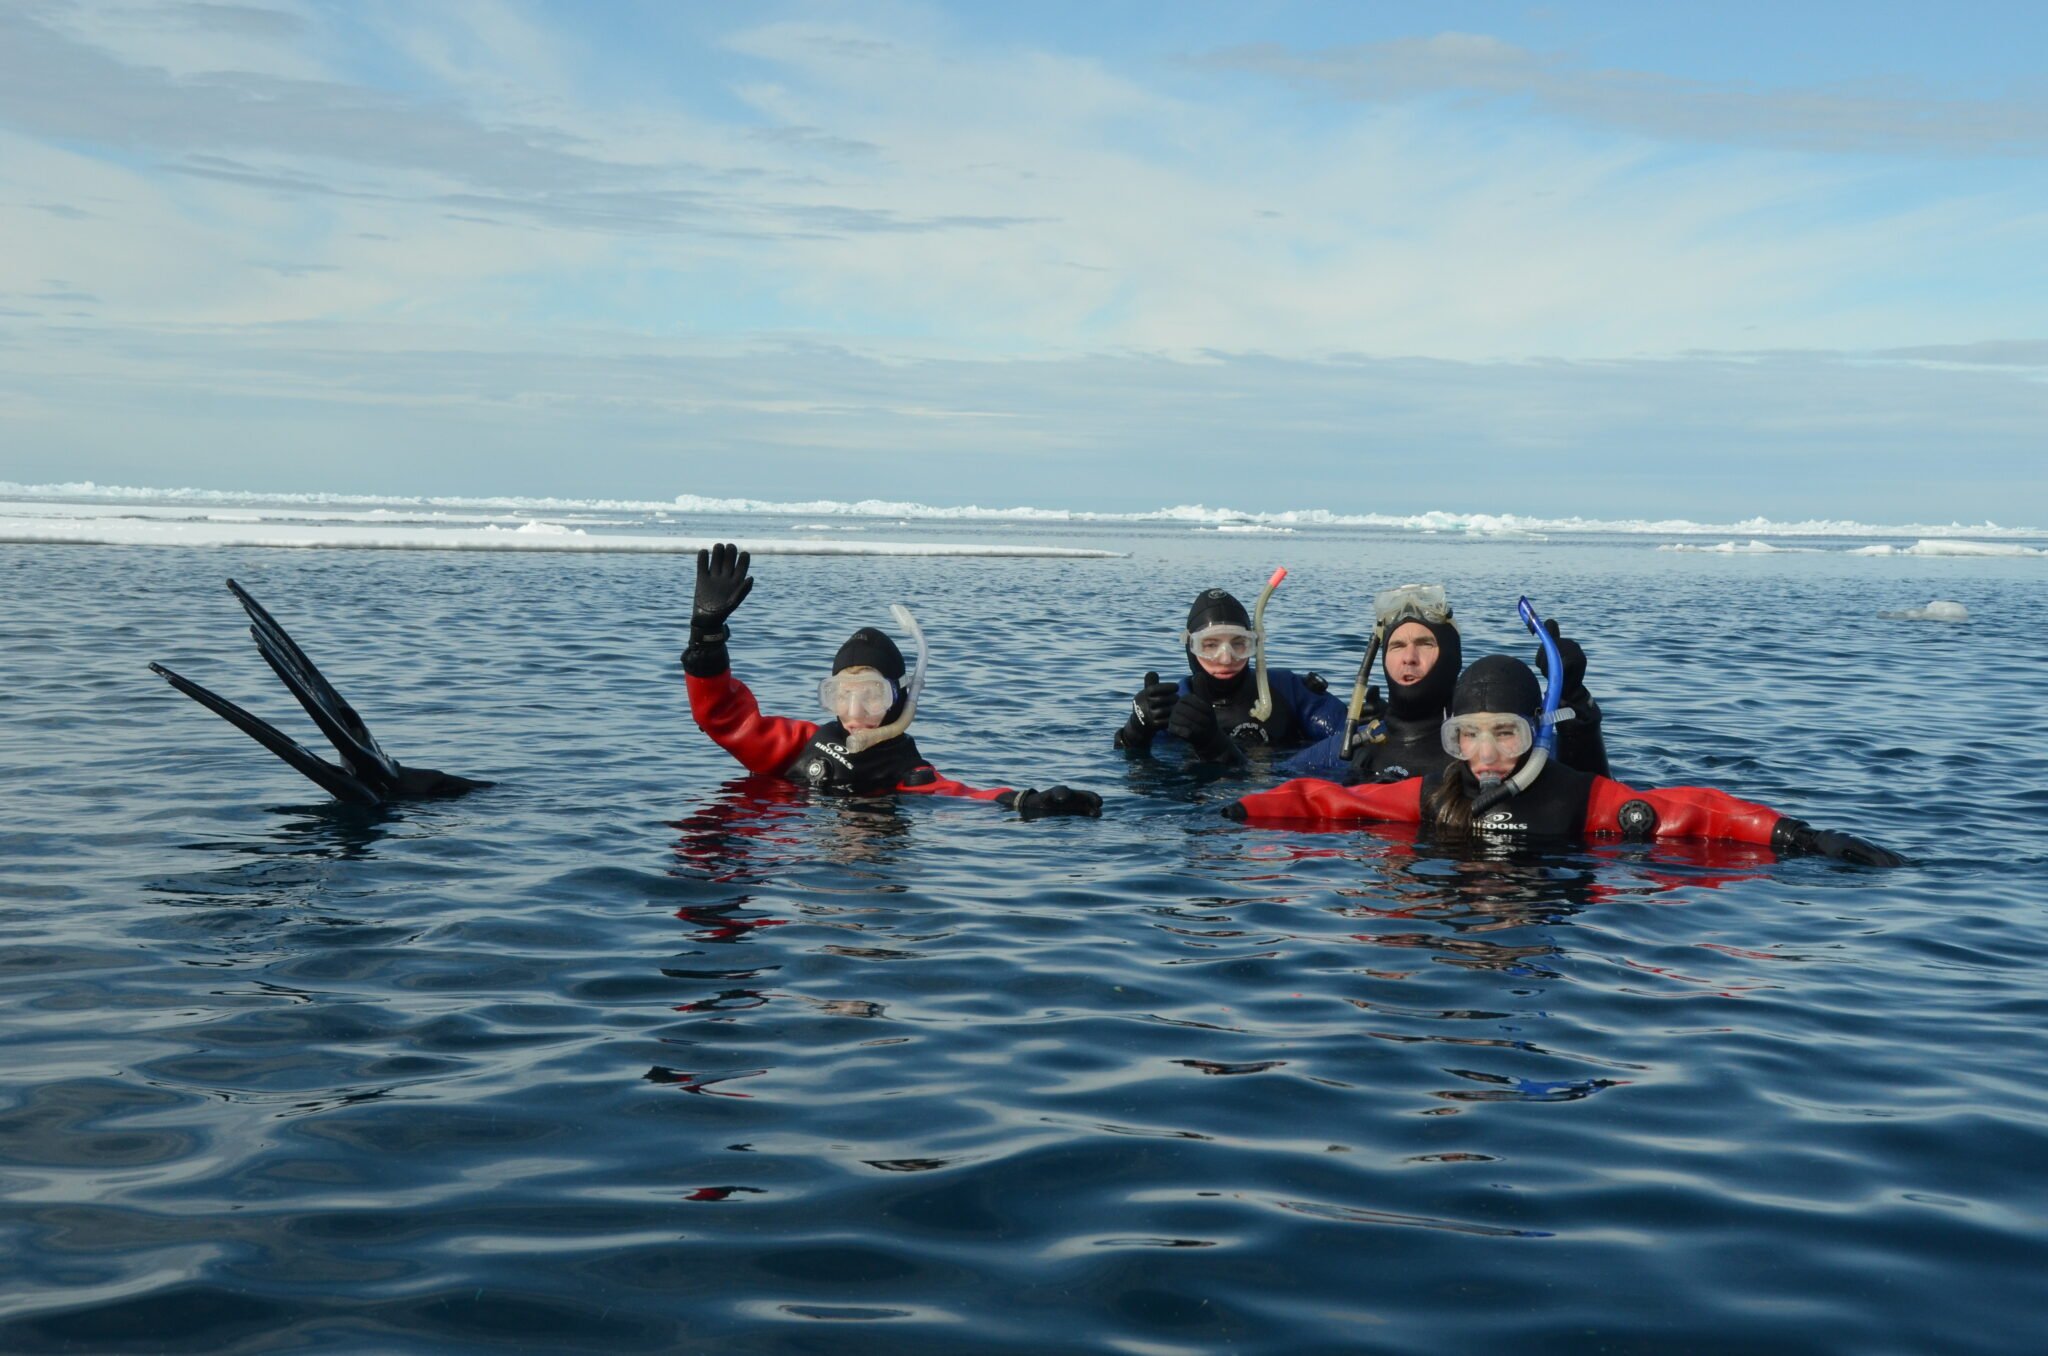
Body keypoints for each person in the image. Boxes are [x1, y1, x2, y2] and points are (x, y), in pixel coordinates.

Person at [1225, 654, 1904, 865]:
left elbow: (1694, 813)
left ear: (1537, 734)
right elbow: (1335, 802)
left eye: (1506, 734)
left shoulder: (1583, 798)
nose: (1486, 755)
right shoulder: (1436, 793)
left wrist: (1794, 836)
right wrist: (1238, 813)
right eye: (1469, 736)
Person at [684, 543, 1101, 818]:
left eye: (871, 697)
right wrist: (706, 636)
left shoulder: (902, 769)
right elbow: (723, 718)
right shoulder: (798, 743)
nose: (853, 714)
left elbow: (959, 795)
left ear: (899, 700)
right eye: (841, 696)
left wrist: (1027, 802)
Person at [150, 579, 489, 807]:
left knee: (382, 781)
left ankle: (390, 779)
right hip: (417, 804)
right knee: (380, 774)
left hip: (401, 805)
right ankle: (390, 778)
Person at [1285, 584, 1610, 785]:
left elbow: (1590, 794)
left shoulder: (1492, 744)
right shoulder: (1353, 748)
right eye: (1397, 647)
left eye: (1425, 644)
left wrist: (1575, 701)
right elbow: (1266, 786)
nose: (1409, 658)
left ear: (1452, 659)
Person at [1116, 586, 1345, 765]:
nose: (1226, 659)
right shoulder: (1169, 707)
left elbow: (1352, 743)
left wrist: (1374, 721)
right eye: (1210, 645)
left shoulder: (1291, 691)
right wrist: (1135, 732)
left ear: (1255, 644)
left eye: (1239, 644)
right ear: (1190, 647)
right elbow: (1142, 780)